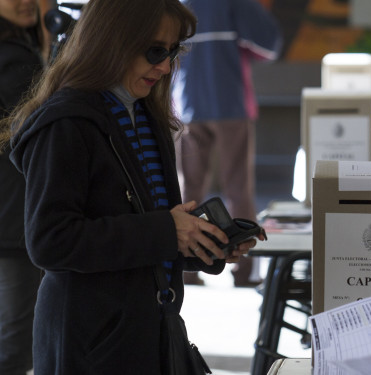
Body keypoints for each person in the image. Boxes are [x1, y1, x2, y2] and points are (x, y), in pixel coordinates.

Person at [4, 0, 264, 373]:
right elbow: (50, 241)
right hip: (90, 344)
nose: (165, 65)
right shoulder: (66, 122)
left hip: (146, 333)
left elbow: (146, 232)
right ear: (111, 41)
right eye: (155, 50)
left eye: (172, 51)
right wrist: (167, 230)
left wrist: (201, 245)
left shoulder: (145, 113)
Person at [174, 0, 281, 287]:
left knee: (189, 189)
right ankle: (243, 272)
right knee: (238, 188)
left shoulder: (180, 3)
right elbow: (269, 43)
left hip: (188, 103)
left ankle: (186, 267)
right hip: (231, 103)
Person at [0, 0, 45, 373]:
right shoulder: (15, 57)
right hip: (13, 213)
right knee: (18, 334)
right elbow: (38, 127)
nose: (25, 1)